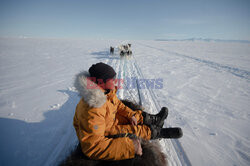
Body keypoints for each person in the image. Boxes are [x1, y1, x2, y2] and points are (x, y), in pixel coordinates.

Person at [73, 62, 182, 160]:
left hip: (109, 119)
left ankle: (154, 119)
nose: (116, 81)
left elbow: (118, 105)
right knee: (133, 130)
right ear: (101, 82)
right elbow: (94, 146)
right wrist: (131, 147)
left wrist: (131, 115)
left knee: (131, 114)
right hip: (106, 130)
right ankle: (158, 132)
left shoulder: (105, 91)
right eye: (112, 79)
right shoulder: (91, 110)